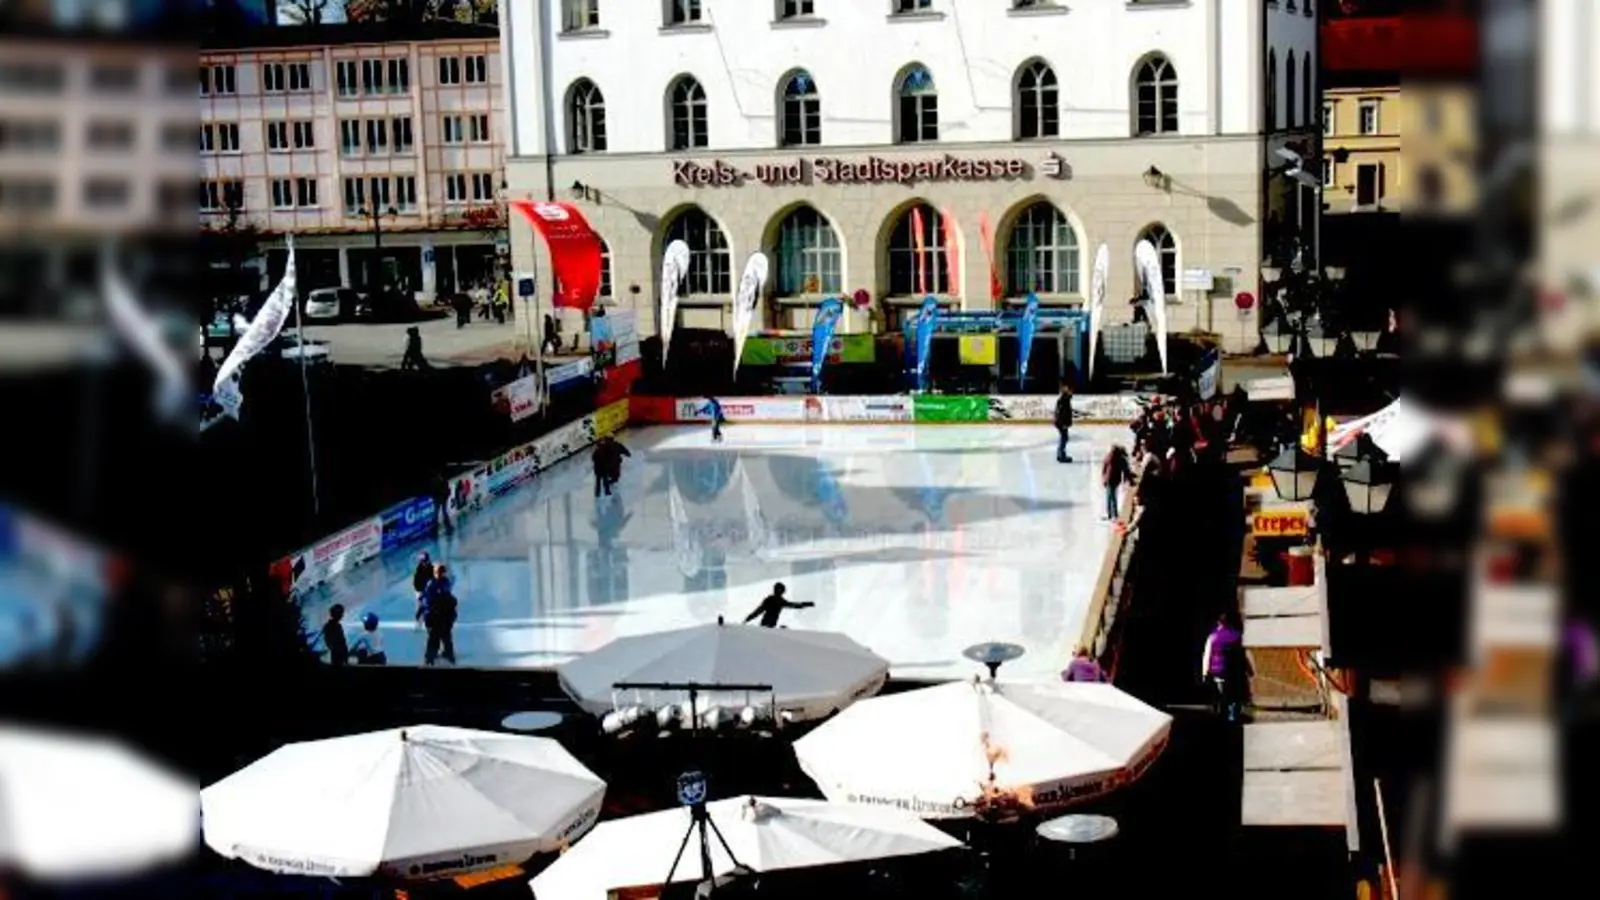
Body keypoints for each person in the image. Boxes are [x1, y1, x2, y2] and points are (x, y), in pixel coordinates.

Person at [1201, 613, 1251, 722]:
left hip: (1218, 671)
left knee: (1223, 694)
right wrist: (1249, 669)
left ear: (1218, 623)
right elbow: (1243, 655)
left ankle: (1222, 715)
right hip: (1234, 671)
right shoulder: (1237, 636)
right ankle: (1233, 715)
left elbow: (1207, 656)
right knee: (1235, 694)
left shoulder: (1213, 637)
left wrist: (1205, 673)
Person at [420, 563, 458, 665]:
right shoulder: (437, 585)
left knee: (438, 638)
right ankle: (439, 656)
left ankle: (435, 657)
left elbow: (426, 601)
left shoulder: (438, 584)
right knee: (441, 638)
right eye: (442, 572)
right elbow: (428, 602)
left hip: (440, 617)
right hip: (439, 617)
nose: (442, 574)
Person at [743, 582, 814, 628]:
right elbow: (758, 611)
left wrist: (748, 619)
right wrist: (748, 619)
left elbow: (758, 611)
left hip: (768, 626)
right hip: (767, 626)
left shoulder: (777, 600)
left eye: (780, 590)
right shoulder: (775, 600)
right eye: (778, 590)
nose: (779, 592)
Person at [1101, 444, 1133, 521]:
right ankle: (1114, 515)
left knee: (1109, 497)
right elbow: (1126, 471)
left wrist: (1103, 478)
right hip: (1113, 480)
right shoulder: (1121, 459)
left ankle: (1110, 514)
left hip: (1109, 480)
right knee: (1112, 497)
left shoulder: (1108, 456)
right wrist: (1129, 479)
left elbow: (1104, 468)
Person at [1053, 384, 1074, 463]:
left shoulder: (1065, 399)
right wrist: (1064, 423)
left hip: (1061, 422)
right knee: (1064, 438)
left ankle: (1061, 454)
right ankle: (1061, 455)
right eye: (1070, 391)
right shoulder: (1064, 400)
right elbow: (1062, 413)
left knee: (1064, 438)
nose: (1072, 392)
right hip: (1061, 422)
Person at [412, 551, 434, 624]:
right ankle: (419, 620)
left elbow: (432, 578)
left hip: (426, 589)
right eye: (421, 561)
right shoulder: (419, 568)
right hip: (419, 589)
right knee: (420, 604)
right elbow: (416, 580)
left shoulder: (431, 568)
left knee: (427, 604)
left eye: (424, 561)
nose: (423, 563)